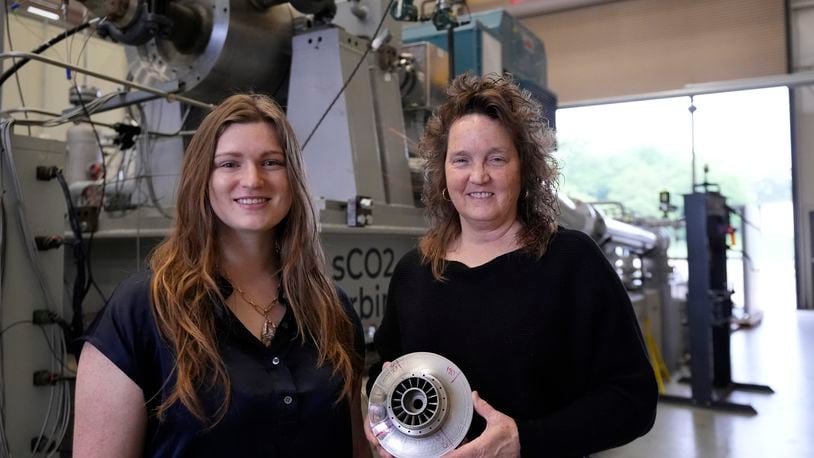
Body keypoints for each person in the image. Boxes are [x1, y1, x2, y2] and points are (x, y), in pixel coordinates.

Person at [365, 74, 657, 457]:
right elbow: (386, 377)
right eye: (461, 160)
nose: (478, 176)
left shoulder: (571, 262)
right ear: (442, 173)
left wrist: (523, 440)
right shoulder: (414, 272)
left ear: (525, 168)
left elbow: (633, 399)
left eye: (496, 158)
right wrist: (384, 431)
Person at [74, 94, 369, 457]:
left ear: (292, 178)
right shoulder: (142, 310)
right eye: (229, 164)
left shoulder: (331, 309)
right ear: (203, 179)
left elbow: (357, 447)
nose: (252, 179)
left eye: (271, 162)